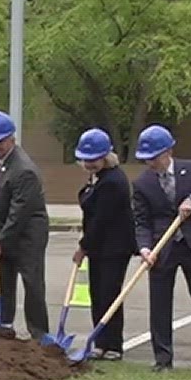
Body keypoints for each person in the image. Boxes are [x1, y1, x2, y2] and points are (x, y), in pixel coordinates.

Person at [131, 125, 191, 372]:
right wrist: (144, 248)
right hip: (162, 250)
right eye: (146, 159)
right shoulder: (142, 184)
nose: (151, 163)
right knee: (160, 305)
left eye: (154, 157)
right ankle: (163, 360)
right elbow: (141, 222)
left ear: (168, 151)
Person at [0, 111, 50, 339]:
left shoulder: (24, 170)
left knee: (31, 282)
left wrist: (1, 241)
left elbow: (19, 212)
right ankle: (3, 323)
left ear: (12, 139)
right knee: (1, 278)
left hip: (28, 233)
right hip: (3, 229)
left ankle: (38, 333)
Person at [73, 128, 133, 362]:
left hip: (115, 247)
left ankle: (113, 345)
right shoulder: (97, 178)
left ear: (106, 156)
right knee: (96, 293)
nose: (89, 165)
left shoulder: (114, 181)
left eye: (94, 160)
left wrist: (82, 247)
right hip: (98, 246)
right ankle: (100, 342)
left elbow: (101, 219)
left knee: (109, 294)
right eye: (86, 160)